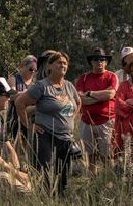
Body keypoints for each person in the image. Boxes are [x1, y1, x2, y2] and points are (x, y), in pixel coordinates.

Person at [15, 51, 79, 196]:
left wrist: (70, 120)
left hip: (65, 138)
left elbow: (78, 102)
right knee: (44, 176)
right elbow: (20, 103)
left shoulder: (69, 86)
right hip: (45, 136)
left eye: (65, 63)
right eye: (59, 62)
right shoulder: (42, 86)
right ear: (49, 66)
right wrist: (29, 126)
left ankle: (60, 200)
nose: (62, 65)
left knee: (62, 176)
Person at [75, 48, 119, 174]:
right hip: (86, 121)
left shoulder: (111, 76)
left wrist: (90, 94)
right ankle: (92, 178)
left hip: (106, 120)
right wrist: (100, 98)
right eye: (95, 59)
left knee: (107, 154)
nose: (99, 62)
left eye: (102, 59)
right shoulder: (83, 78)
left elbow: (111, 94)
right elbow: (80, 99)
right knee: (90, 155)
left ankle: (108, 178)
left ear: (106, 62)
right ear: (91, 62)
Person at [6, 55, 38, 149]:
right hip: (15, 119)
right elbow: (11, 95)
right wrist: (28, 93)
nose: (33, 72)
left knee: (29, 148)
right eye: (31, 69)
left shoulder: (36, 82)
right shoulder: (14, 79)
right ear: (23, 66)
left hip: (31, 120)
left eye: (35, 70)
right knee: (15, 147)